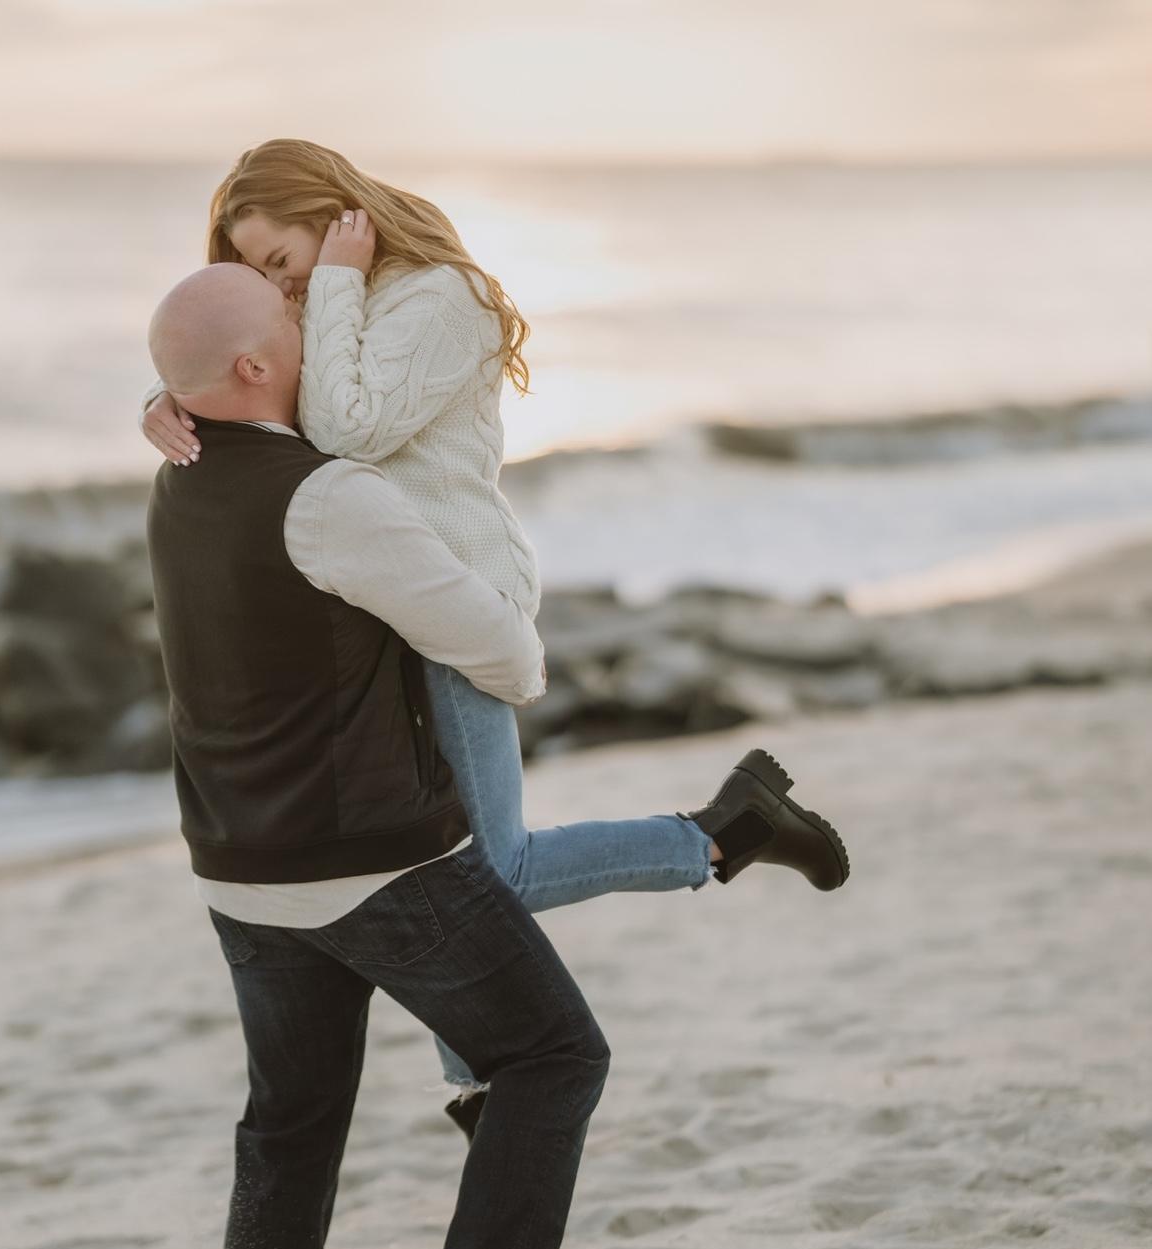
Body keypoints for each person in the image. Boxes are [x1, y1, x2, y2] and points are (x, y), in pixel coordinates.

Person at [139, 138, 850, 1139]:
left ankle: (725, 833)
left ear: (336, 214)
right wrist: (174, 397)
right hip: (369, 617)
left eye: (277, 257)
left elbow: (341, 429)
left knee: (491, 871)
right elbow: (264, 396)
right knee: (447, 862)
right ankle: (478, 1083)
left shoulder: (440, 298)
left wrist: (330, 284)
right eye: (252, 270)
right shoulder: (323, 300)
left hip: (453, 605)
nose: (274, 282)